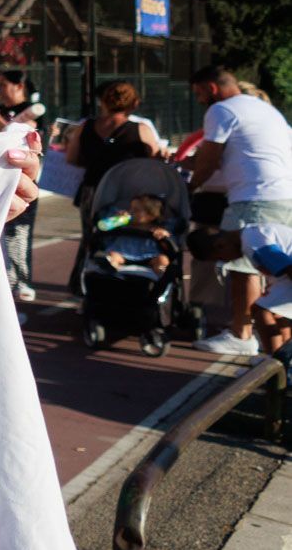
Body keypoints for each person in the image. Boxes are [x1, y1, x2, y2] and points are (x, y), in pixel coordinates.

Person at [187, 64, 292, 355]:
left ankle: (242, 334)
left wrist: (190, 186)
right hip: (283, 194)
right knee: (275, 271)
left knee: (241, 265)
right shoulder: (264, 109)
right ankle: (275, 339)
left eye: (198, 94)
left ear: (211, 88)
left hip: (254, 197)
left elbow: (208, 160)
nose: (198, 100)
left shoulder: (222, 110)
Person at [189, 222, 292, 356]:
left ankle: (278, 364)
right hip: (286, 279)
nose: (226, 261)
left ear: (220, 245)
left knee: (261, 311)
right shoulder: (252, 234)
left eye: (221, 258)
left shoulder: (254, 242)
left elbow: (288, 267)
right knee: (273, 312)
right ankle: (283, 361)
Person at [66, 80, 164, 217]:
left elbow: (71, 158)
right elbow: (155, 161)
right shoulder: (141, 130)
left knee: (94, 234)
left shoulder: (85, 127)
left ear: (104, 101)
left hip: (93, 191)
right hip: (128, 195)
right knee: (123, 234)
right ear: (134, 103)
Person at [91, 194, 177, 278]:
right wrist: (115, 219)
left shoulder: (157, 229)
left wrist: (164, 234)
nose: (131, 212)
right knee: (113, 255)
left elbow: (169, 244)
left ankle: (163, 272)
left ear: (151, 216)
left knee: (162, 259)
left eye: (136, 210)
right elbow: (103, 228)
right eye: (130, 208)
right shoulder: (123, 223)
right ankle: (110, 266)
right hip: (122, 253)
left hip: (150, 256)